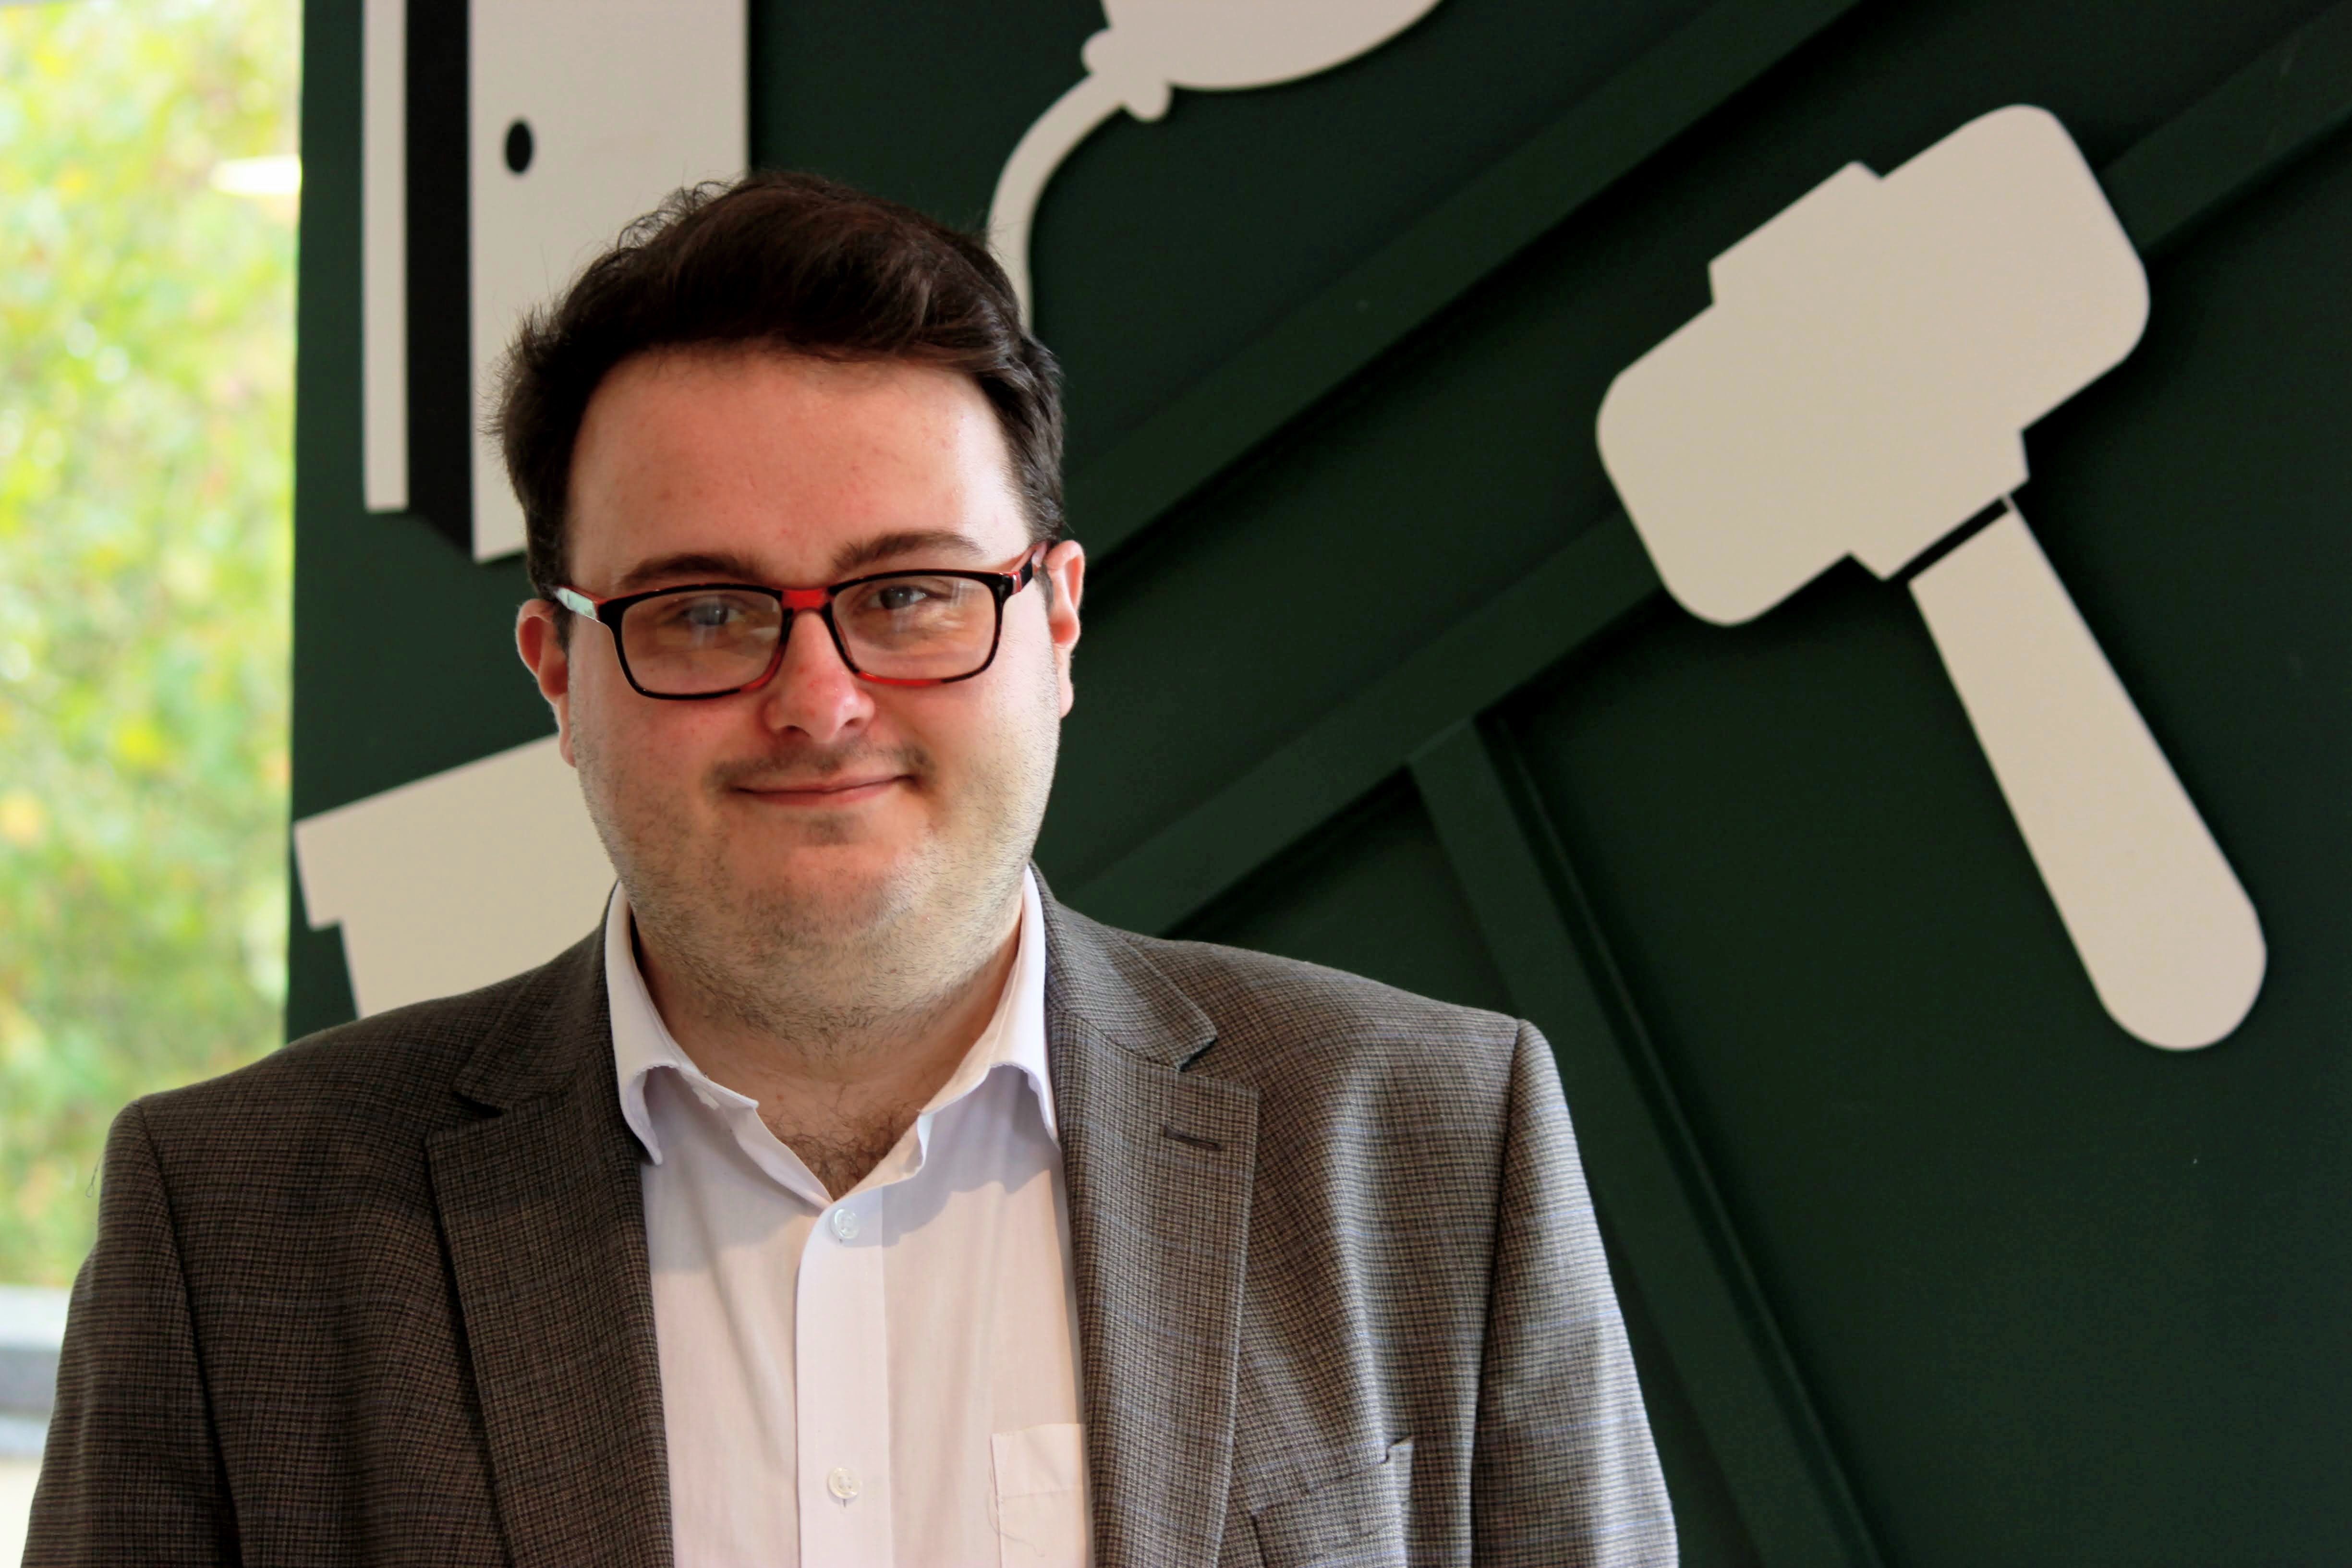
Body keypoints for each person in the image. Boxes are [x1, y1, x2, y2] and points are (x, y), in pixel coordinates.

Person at [28, 171, 1673, 1567]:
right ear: (557, 671)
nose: (817, 700)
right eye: (700, 611)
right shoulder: (235, 1226)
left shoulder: (1438, 1147)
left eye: (908, 593)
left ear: (1056, 622)